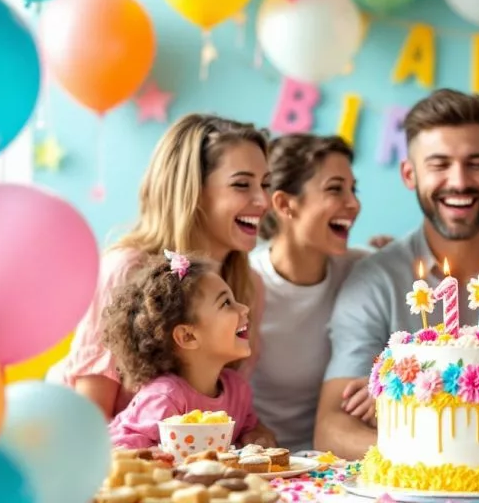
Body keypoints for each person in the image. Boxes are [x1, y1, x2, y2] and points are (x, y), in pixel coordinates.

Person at [314, 89, 479, 460]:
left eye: (475, 163)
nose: (459, 181)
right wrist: (443, 455)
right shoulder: (374, 282)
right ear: (410, 174)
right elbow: (331, 427)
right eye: (439, 165)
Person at [48, 114, 271, 419]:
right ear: (193, 191)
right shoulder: (126, 269)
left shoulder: (248, 285)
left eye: (266, 184)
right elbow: (92, 416)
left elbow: (227, 408)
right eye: (242, 184)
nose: (263, 200)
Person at [249, 133, 369, 452]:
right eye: (335, 189)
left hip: (340, 460)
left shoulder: (362, 271)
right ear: (285, 204)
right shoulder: (243, 285)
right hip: (265, 465)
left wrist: (382, 383)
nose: (354, 204)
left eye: (353, 189)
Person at [106, 251, 275, 449]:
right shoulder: (164, 398)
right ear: (188, 336)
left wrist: (257, 436)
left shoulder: (237, 390)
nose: (244, 308)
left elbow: (250, 428)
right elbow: (120, 451)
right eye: (226, 303)